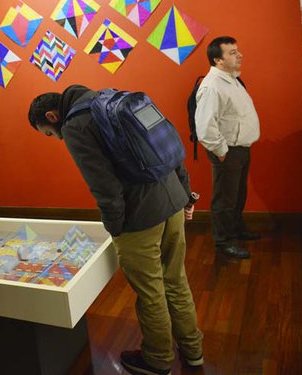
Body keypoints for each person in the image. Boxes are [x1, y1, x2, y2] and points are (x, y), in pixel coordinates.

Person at [28, 85, 203, 375]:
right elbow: (170, 148)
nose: (56, 138)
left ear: (51, 116)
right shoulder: (115, 98)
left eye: (49, 133)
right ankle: (193, 350)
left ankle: (158, 360)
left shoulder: (75, 126)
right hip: (172, 200)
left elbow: (104, 187)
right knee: (176, 280)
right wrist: (185, 195)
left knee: (151, 292)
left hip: (140, 217)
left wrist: (115, 228)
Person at [195, 36, 261, 260]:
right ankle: (223, 241)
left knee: (237, 194)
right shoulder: (212, 86)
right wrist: (221, 151)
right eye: (232, 52)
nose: (239, 55)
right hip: (228, 151)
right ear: (218, 60)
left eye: (237, 50)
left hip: (239, 148)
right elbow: (205, 126)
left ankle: (236, 229)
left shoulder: (231, 79)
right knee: (225, 199)